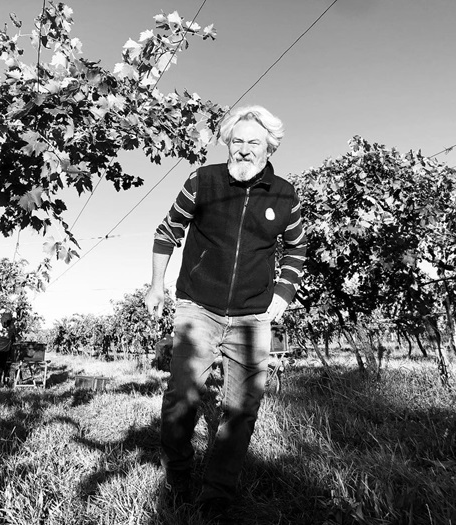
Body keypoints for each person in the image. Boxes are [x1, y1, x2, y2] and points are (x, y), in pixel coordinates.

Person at [144, 105, 307, 518]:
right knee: (183, 395)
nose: (245, 149)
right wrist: (156, 285)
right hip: (199, 306)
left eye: (254, 142)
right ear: (227, 143)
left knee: (242, 408)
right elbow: (167, 231)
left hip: (254, 317)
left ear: (270, 147)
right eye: (237, 141)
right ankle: (178, 474)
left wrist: (282, 296)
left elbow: (297, 249)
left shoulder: (285, 195)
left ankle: (216, 496)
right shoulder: (203, 181)